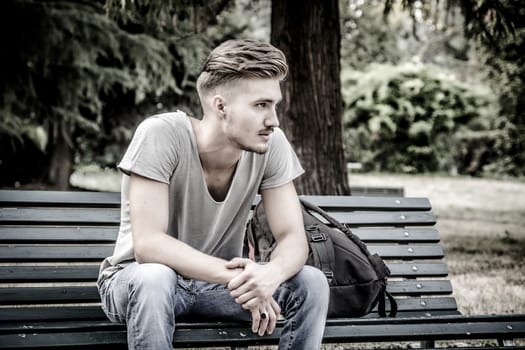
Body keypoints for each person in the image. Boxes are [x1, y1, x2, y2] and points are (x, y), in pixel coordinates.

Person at [97, 39, 330, 350]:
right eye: (261, 105)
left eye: (275, 105)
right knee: (155, 277)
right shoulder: (161, 134)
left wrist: (271, 274)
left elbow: (292, 237)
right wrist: (246, 278)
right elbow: (149, 245)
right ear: (221, 106)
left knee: (311, 283)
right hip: (139, 283)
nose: (273, 120)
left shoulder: (272, 144)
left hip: (220, 287)